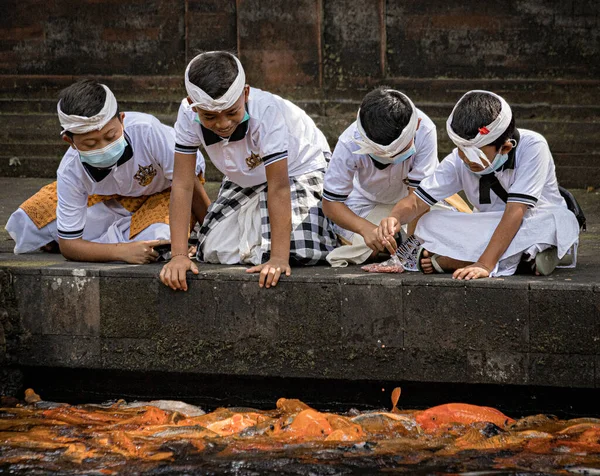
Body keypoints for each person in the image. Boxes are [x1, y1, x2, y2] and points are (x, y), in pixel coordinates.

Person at [160, 51, 336, 290]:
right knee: (211, 247)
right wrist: (178, 255)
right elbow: (182, 184)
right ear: (193, 105)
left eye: (232, 112)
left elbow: (279, 186)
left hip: (299, 171)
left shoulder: (267, 113)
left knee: (299, 249)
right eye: (210, 116)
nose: (222, 124)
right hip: (244, 179)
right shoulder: (186, 115)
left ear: (245, 93)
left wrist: (278, 259)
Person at [376, 90, 580, 279]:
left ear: (505, 147)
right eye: (461, 149)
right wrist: (394, 217)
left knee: (553, 221)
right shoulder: (460, 159)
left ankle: (458, 259)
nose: (464, 157)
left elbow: (516, 212)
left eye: (474, 153)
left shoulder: (534, 146)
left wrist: (484, 264)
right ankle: (525, 260)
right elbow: (416, 202)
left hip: (530, 219)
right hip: (487, 226)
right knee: (428, 221)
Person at [5, 79, 210, 264]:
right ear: (70, 142)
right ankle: (116, 239)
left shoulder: (147, 131)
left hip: (167, 190)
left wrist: (210, 231)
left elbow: (186, 183)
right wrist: (121, 252)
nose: (103, 148)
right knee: (34, 216)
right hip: (109, 196)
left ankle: (106, 240)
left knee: (160, 238)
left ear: (122, 119)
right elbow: (69, 245)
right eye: (90, 143)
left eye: (111, 136)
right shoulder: (70, 170)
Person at [322, 87, 469, 268]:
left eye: (399, 153)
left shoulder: (425, 130)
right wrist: (366, 229)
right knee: (372, 244)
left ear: (416, 125)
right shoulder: (349, 141)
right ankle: (404, 244)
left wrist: (408, 252)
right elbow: (331, 204)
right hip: (367, 204)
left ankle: (403, 244)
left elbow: (419, 200)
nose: (390, 162)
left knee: (457, 229)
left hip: (418, 201)